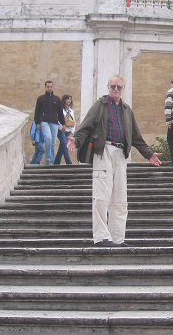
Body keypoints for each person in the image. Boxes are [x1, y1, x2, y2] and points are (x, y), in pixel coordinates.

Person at [68, 74, 162, 247]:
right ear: (108, 88)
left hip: (120, 154)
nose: (116, 89)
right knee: (101, 196)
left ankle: (117, 238)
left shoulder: (127, 110)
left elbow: (135, 136)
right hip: (103, 152)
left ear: (123, 89)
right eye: (113, 87)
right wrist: (76, 139)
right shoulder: (100, 105)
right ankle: (102, 237)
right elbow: (86, 125)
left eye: (119, 87)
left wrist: (149, 154)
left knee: (120, 198)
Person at [33, 80, 65, 166]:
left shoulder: (57, 99)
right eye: (48, 87)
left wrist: (63, 124)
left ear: (52, 87)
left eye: (51, 87)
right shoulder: (41, 99)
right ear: (45, 87)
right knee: (48, 138)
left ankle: (51, 161)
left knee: (53, 142)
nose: (49, 88)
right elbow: (37, 111)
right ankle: (48, 158)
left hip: (54, 122)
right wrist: (37, 122)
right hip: (44, 121)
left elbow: (60, 112)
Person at [55, 93, 75, 165]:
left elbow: (73, 121)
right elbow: (58, 119)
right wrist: (61, 127)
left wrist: (72, 131)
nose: (69, 100)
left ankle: (56, 163)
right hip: (61, 130)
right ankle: (69, 163)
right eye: (67, 99)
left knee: (62, 148)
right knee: (65, 145)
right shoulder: (60, 110)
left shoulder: (71, 111)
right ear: (64, 100)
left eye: (70, 99)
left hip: (68, 130)